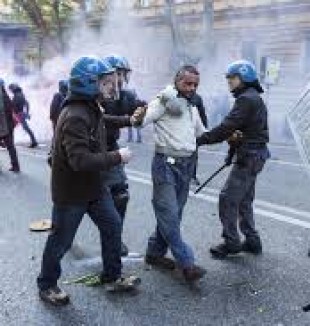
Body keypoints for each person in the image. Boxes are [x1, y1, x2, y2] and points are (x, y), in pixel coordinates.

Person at [37, 56, 142, 306]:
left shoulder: (89, 108)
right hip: (72, 193)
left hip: (95, 188)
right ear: (88, 84)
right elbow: (80, 161)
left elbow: (103, 122)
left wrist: (130, 120)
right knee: (60, 241)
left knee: (113, 225)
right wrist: (118, 156)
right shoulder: (75, 115)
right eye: (105, 82)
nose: (111, 86)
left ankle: (112, 277)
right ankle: (47, 284)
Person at [197, 60, 270, 259]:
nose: (229, 82)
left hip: (250, 156)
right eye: (228, 78)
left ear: (244, 78)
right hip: (254, 155)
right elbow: (240, 132)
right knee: (244, 200)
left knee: (227, 199)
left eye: (233, 78)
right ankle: (252, 241)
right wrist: (231, 154)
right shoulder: (252, 97)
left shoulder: (246, 99)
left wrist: (201, 140)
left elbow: (228, 127)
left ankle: (231, 242)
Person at [141, 65, 207, 282]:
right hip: (165, 165)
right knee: (169, 214)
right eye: (187, 83)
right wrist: (138, 115)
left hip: (185, 167)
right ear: (177, 81)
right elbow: (142, 120)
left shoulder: (192, 106)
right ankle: (186, 263)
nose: (191, 88)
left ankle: (154, 252)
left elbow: (201, 134)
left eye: (195, 84)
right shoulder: (163, 100)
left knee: (173, 214)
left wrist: (230, 135)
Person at [103, 54, 147, 256]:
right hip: (86, 151)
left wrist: (165, 102)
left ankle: (115, 240)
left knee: (120, 194)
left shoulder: (126, 96)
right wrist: (127, 120)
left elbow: (142, 106)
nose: (119, 79)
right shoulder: (94, 94)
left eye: (122, 74)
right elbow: (100, 119)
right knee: (74, 205)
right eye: (116, 74)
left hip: (110, 148)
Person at [8, 83, 38, 148]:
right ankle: (34, 141)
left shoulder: (17, 95)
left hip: (19, 114)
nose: (10, 91)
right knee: (24, 127)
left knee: (23, 127)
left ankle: (34, 141)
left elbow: (15, 105)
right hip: (20, 114)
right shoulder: (20, 94)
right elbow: (26, 103)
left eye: (11, 89)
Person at [0, 78, 20, 173]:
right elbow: (11, 111)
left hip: (3, 126)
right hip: (8, 126)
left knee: (10, 147)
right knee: (11, 147)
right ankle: (15, 166)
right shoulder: (6, 96)